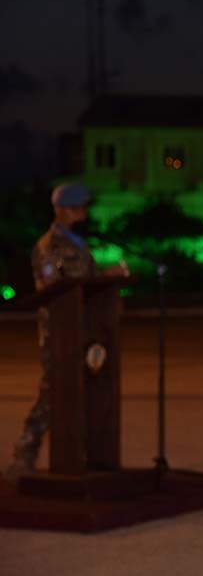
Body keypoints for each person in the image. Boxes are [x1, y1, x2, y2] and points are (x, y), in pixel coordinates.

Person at [6, 183, 107, 480]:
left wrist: (108, 278)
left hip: (86, 328)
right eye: (79, 208)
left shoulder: (79, 244)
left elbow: (87, 281)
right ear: (62, 210)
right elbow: (53, 289)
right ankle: (24, 453)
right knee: (52, 394)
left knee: (85, 392)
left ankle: (81, 454)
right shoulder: (48, 246)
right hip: (59, 333)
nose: (84, 214)